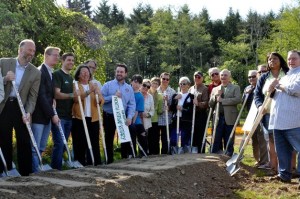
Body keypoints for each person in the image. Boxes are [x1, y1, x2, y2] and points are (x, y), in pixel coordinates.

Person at [0, 39, 41, 176]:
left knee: (24, 139)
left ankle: (26, 173)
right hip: (4, 106)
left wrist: (29, 112)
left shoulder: (35, 72)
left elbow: (32, 96)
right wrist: (5, 79)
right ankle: (4, 171)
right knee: (4, 138)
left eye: (34, 51)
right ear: (20, 49)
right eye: (30, 50)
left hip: (21, 108)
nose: (32, 53)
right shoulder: (3, 62)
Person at [268, 50, 300, 182]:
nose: (291, 61)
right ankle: (284, 175)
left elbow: (296, 89)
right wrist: (271, 88)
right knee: (282, 151)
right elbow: (272, 95)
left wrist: (279, 85)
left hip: (294, 120)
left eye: (294, 58)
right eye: (289, 59)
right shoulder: (285, 76)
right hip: (278, 120)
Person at [254, 52, 289, 171]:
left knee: (287, 139)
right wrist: (259, 106)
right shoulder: (264, 77)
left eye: (275, 58)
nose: (272, 61)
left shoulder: (289, 73)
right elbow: (257, 95)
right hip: (268, 114)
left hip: (286, 113)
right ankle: (274, 166)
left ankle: (289, 167)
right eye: (269, 59)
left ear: (280, 60)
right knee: (271, 140)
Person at [31, 46, 61, 173]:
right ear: (46, 56)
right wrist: (52, 114)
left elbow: (49, 95)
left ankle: (38, 167)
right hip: (39, 116)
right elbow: (41, 96)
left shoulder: (51, 72)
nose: (57, 58)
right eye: (55, 55)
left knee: (42, 146)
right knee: (35, 146)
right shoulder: (40, 72)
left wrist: (53, 100)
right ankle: (34, 172)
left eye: (58, 56)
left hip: (47, 116)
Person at [101, 63, 136, 164]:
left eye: (121, 72)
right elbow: (101, 99)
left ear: (126, 73)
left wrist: (129, 117)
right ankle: (109, 160)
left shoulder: (129, 88)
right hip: (109, 116)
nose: (119, 73)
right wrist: (113, 96)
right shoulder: (107, 85)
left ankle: (124, 159)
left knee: (124, 138)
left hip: (123, 117)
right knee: (109, 138)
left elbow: (131, 104)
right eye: (117, 71)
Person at [72, 64, 104, 166]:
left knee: (94, 141)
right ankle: (80, 163)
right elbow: (76, 99)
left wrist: (98, 94)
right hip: (79, 118)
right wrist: (89, 91)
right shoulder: (76, 85)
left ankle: (95, 162)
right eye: (83, 72)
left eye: (87, 72)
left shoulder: (94, 85)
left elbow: (101, 101)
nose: (86, 74)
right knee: (80, 142)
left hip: (93, 118)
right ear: (78, 75)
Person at [51, 52, 75, 170]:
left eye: (72, 60)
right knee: (59, 143)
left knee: (64, 145)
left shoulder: (71, 78)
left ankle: (58, 164)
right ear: (63, 61)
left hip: (69, 116)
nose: (71, 62)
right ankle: (56, 169)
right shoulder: (57, 74)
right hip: (59, 115)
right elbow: (57, 94)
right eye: (68, 60)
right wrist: (72, 95)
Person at [209, 69, 241, 156]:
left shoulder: (235, 87)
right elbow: (210, 104)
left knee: (229, 138)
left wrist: (223, 100)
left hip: (230, 117)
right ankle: (214, 155)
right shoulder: (215, 89)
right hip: (218, 117)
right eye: (222, 75)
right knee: (216, 137)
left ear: (229, 77)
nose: (223, 77)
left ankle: (228, 155)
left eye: (225, 75)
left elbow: (238, 99)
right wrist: (215, 97)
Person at [243, 69, 268, 167]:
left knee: (262, 139)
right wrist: (246, 94)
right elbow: (243, 103)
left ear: (258, 76)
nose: (251, 78)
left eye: (253, 76)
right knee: (254, 140)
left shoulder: (263, 87)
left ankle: (264, 161)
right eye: (249, 77)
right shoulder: (247, 88)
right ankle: (257, 159)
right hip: (251, 116)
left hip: (262, 116)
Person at [170, 77, 194, 150]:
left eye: (184, 84)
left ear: (188, 85)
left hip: (186, 121)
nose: (182, 85)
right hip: (176, 119)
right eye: (180, 84)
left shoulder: (191, 96)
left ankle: (184, 152)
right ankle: (173, 151)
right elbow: (171, 108)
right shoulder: (175, 95)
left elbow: (191, 110)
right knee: (174, 137)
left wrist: (182, 109)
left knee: (184, 137)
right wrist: (175, 100)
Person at [189, 71, 209, 153]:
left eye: (199, 77)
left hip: (200, 115)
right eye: (195, 76)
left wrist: (198, 104)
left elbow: (206, 103)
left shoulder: (204, 89)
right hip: (192, 115)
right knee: (193, 134)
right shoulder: (191, 88)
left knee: (200, 135)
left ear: (202, 78)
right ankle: (193, 152)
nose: (197, 78)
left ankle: (201, 152)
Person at [157, 72, 176, 154]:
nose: (165, 80)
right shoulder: (155, 90)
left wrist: (168, 106)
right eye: (163, 78)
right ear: (160, 78)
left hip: (167, 120)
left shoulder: (172, 91)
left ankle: (165, 155)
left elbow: (174, 106)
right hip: (156, 119)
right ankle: (155, 155)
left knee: (165, 139)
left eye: (167, 79)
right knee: (155, 139)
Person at [130, 74, 147, 156]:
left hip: (135, 121)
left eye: (139, 83)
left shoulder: (140, 96)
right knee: (131, 139)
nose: (136, 84)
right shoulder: (127, 92)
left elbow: (137, 111)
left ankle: (143, 153)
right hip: (127, 120)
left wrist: (132, 121)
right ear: (131, 82)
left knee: (142, 135)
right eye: (135, 82)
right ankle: (131, 154)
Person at [148, 77, 163, 155]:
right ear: (150, 83)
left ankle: (155, 154)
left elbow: (160, 110)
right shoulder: (146, 93)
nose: (154, 85)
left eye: (156, 83)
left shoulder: (160, 96)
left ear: (158, 85)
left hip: (154, 120)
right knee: (147, 137)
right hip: (146, 119)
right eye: (153, 83)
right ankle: (147, 152)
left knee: (155, 138)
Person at [140, 79, 154, 147]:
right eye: (144, 85)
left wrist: (148, 115)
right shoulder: (136, 94)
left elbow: (152, 110)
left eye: (148, 87)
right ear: (141, 85)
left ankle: (144, 153)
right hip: (136, 121)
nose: (146, 87)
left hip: (146, 122)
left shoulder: (150, 97)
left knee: (144, 138)